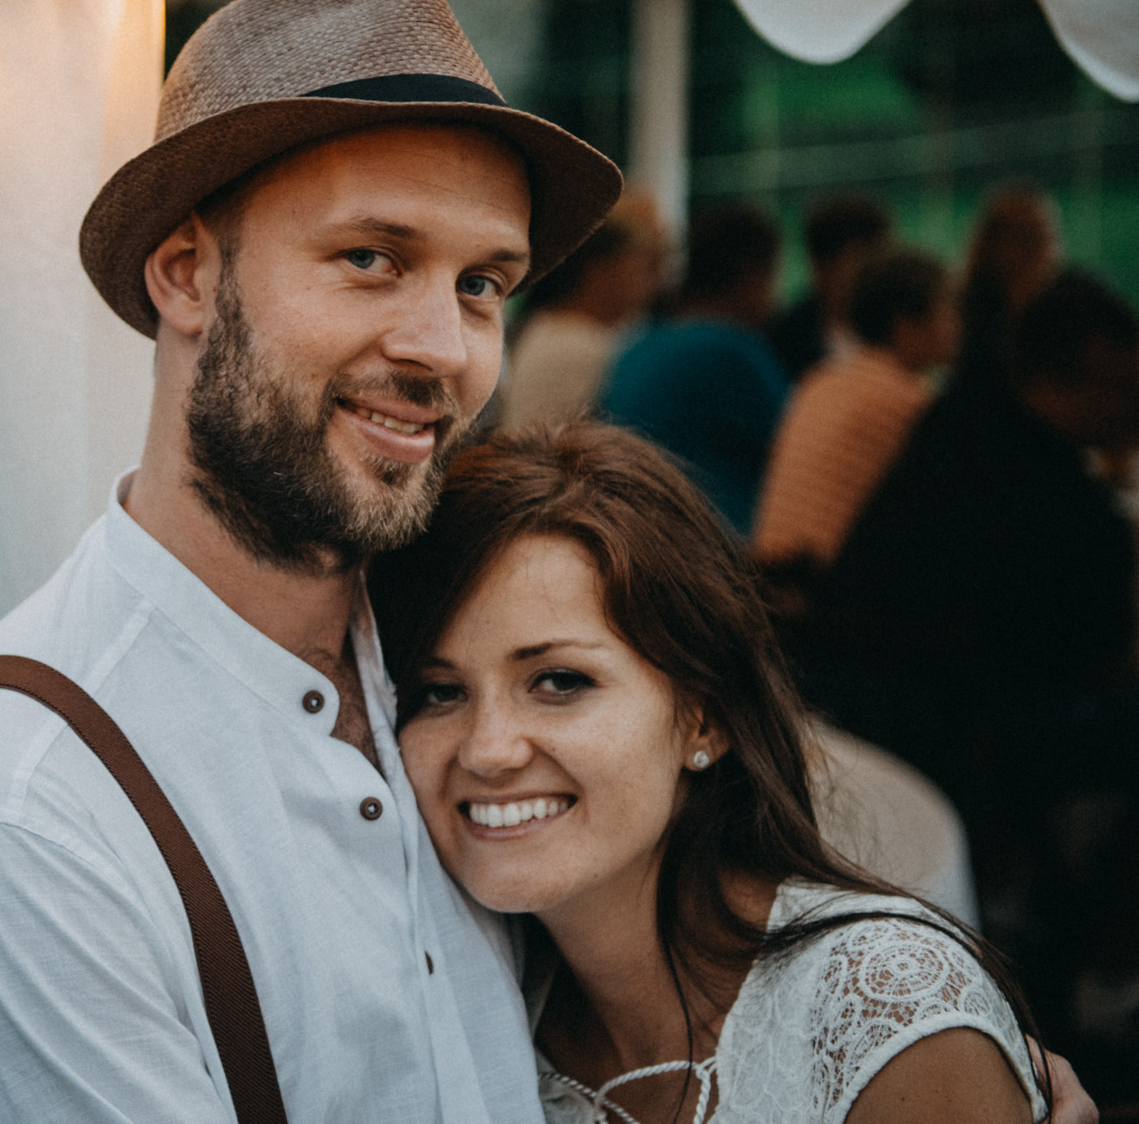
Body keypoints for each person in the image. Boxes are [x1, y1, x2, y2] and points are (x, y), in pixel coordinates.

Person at [0, 0, 624, 1121]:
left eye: (479, 284)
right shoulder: (19, 810)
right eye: (371, 256)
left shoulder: (450, 663)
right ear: (186, 273)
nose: (442, 348)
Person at [370, 423, 1060, 1124]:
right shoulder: (464, 1006)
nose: (487, 750)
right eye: (437, 691)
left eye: (558, 680)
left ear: (706, 718)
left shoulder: (883, 1012)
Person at [804, 270, 1138, 861]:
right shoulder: (1053, 489)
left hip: (851, 693)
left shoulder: (955, 418)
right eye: (1124, 384)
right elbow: (1096, 647)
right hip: (958, 723)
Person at [754, 246, 959, 576]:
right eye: (948, 311)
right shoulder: (906, 400)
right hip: (825, 594)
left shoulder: (818, 382)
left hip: (771, 579)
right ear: (905, 323)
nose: (957, 326)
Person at [600, 204, 788, 535]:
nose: (776, 295)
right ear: (750, 276)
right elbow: (797, 445)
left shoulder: (640, 346)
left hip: (629, 532)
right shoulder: (732, 351)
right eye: (773, 276)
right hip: (702, 547)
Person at [497, 191, 663, 433]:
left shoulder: (554, 326)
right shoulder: (576, 345)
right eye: (646, 267)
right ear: (602, 269)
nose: (657, 281)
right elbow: (538, 442)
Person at [765, 192, 893, 381]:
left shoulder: (891, 325)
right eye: (866, 262)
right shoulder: (784, 338)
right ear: (821, 264)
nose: (879, 274)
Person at [956, 183, 1060, 391]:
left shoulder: (1063, 301)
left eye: (1047, 235)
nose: (1048, 247)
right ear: (995, 243)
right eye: (1030, 238)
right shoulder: (972, 310)